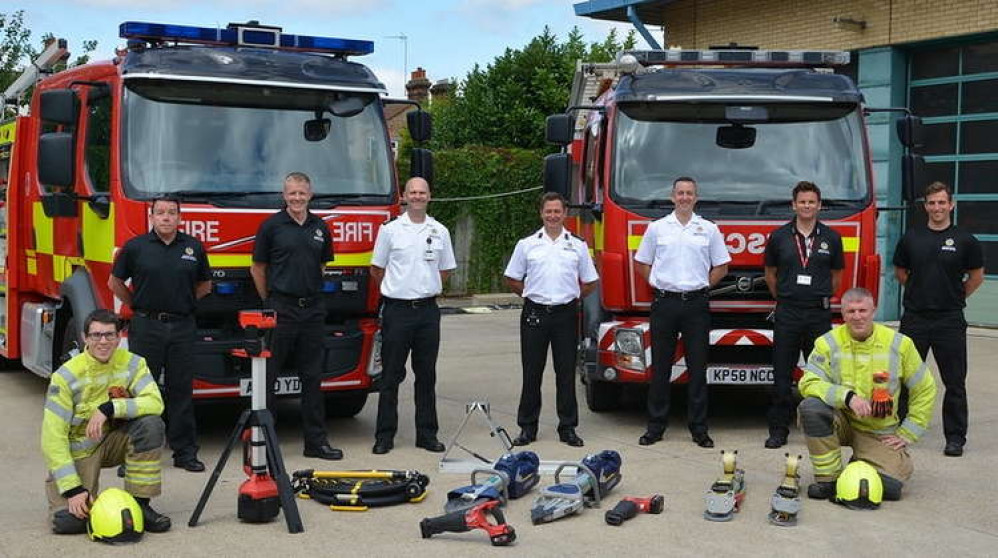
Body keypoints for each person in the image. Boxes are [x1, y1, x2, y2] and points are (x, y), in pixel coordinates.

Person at [798, 288, 936, 502]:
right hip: (842, 421)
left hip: (878, 432)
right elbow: (808, 382)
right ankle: (829, 480)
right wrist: (847, 397)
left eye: (863, 310)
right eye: (851, 311)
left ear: (874, 310)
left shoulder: (900, 344)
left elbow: (925, 388)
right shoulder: (827, 343)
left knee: (889, 490)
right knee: (811, 408)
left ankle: (863, 461)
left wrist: (908, 432)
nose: (857, 316)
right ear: (842, 314)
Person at [41, 309, 171, 534]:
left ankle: (139, 505)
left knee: (151, 425)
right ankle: (90, 499)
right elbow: (52, 438)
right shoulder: (65, 377)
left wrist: (110, 408)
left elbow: (155, 403)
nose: (103, 341)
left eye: (109, 335)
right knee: (69, 523)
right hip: (79, 453)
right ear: (85, 338)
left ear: (119, 337)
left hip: (112, 441)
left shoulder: (134, 364)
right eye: (96, 335)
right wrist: (72, 489)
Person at [109, 196, 210, 472]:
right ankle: (132, 453)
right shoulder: (136, 247)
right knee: (140, 391)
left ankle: (185, 453)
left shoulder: (193, 247)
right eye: (161, 213)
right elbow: (115, 282)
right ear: (151, 217)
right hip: (147, 326)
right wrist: (137, 305)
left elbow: (205, 285)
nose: (166, 217)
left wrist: (184, 304)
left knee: (181, 391)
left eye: (172, 213)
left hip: (182, 327)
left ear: (180, 218)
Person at [251, 172, 342, 460]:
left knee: (313, 377)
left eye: (302, 193)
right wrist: (270, 301)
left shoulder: (320, 227)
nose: (297, 198)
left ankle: (316, 443)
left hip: (313, 309)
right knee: (269, 376)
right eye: (292, 193)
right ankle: (265, 441)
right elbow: (258, 268)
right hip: (282, 308)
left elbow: (323, 265)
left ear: (310, 194)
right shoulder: (271, 226)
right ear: (284, 195)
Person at [633, 177, 730, 448]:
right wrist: (657, 282)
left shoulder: (709, 229)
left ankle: (699, 429)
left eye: (689, 193)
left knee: (697, 369)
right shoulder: (657, 228)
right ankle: (655, 427)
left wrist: (702, 286)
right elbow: (641, 262)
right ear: (672, 197)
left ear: (696, 198)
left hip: (696, 305)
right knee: (660, 367)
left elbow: (721, 266)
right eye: (680, 193)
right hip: (665, 303)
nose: (684, 197)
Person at [893, 181, 984, 457]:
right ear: (925, 206)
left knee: (954, 382)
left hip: (949, 320)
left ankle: (955, 437)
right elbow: (900, 272)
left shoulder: (965, 240)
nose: (937, 208)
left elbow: (976, 276)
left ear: (951, 205)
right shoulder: (911, 237)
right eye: (932, 203)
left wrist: (954, 298)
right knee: (904, 378)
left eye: (942, 202)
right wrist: (921, 292)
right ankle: (897, 429)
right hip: (915, 318)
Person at [504, 192, 599, 447]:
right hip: (535, 313)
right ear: (541, 213)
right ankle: (527, 428)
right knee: (531, 372)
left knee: (565, 373)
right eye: (549, 211)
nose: (553, 216)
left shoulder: (577, 245)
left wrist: (575, 297)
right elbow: (512, 277)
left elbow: (590, 281)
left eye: (558, 211)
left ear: (565, 214)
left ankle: (567, 428)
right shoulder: (527, 244)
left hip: (566, 314)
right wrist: (528, 294)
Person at [370, 177, 456, 455]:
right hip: (397, 311)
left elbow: (444, 270)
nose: (417, 196)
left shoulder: (440, 230)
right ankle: (384, 436)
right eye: (413, 192)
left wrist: (424, 288)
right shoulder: (390, 230)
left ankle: (427, 435)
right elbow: (377, 269)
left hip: (428, 312)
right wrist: (398, 290)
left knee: (427, 375)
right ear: (404, 197)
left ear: (430, 196)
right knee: (390, 376)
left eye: (422, 192)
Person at [762, 181, 844, 449]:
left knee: (820, 374)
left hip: (818, 314)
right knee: (782, 374)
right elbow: (770, 275)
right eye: (802, 202)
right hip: (788, 312)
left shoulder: (831, 238)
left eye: (812, 202)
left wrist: (815, 296)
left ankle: (821, 427)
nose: (807, 206)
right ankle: (778, 430)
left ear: (819, 205)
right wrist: (787, 297)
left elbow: (836, 277)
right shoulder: (779, 237)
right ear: (793, 204)